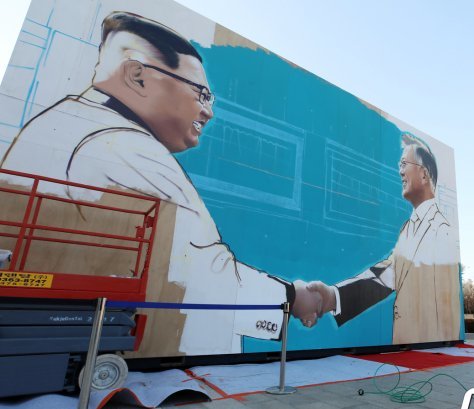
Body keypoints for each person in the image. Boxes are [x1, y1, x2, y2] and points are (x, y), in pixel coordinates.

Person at [0, 12, 322, 356]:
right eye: (201, 94)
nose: (208, 112)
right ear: (138, 76)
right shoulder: (119, 145)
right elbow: (204, 273)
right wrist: (294, 298)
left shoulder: (70, 125)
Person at [305, 132, 461, 344]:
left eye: (404, 164)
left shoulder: (442, 229)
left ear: (424, 175)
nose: (400, 171)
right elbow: (386, 276)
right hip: (409, 349)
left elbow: (447, 306)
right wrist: (333, 297)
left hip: (428, 351)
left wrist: (440, 349)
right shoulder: (407, 229)